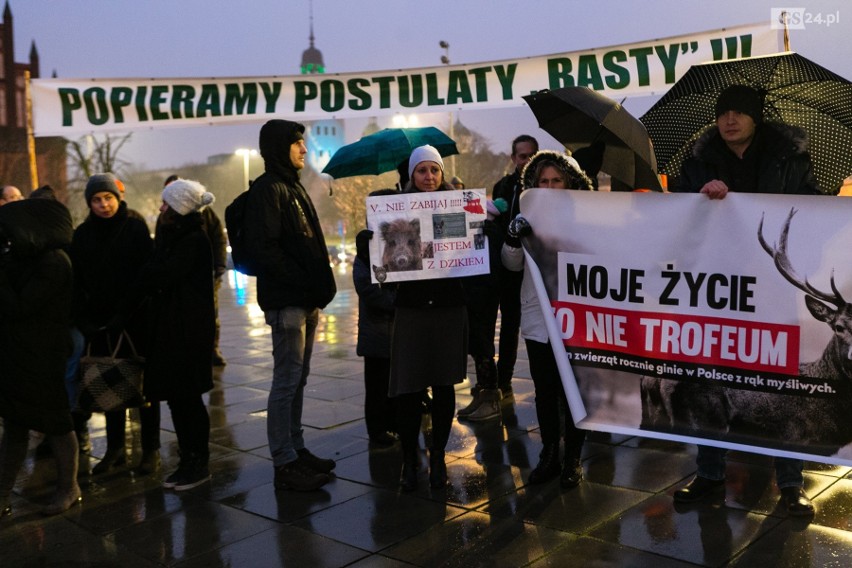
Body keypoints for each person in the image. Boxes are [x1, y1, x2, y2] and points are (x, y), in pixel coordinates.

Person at [671, 84, 820, 516]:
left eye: (739, 112)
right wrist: (700, 197)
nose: (729, 119)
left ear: (756, 118)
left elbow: (810, 209)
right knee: (708, 381)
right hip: (718, 289)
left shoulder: (789, 158)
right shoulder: (699, 162)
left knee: (780, 383)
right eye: (723, 113)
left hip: (773, 288)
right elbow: (679, 214)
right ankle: (709, 474)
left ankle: (791, 483)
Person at [243, 119, 337, 491]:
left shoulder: (290, 186)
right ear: (279, 147)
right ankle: (284, 461)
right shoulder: (270, 189)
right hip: (288, 303)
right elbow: (266, 249)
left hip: (304, 300)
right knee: (285, 380)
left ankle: (296, 449)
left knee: (298, 379)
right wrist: (302, 281)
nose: (304, 149)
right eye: (297, 144)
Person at [501, 150, 593, 488]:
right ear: (534, 184)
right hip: (539, 317)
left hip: (578, 318)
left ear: (569, 182)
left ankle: (573, 459)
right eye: (544, 181)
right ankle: (549, 453)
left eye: (557, 180)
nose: (551, 186)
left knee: (575, 392)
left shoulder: (587, 217)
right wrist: (513, 238)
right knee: (545, 390)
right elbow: (512, 266)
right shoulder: (527, 214)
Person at [391, 145, 468, 492]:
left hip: (449, 309)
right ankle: (410, 457)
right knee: (408, 388)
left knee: (444, 384)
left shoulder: (458, 207)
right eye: (422, 170)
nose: (429, 177)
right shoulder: (393, 209)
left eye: (434, 170)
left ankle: (437, 455)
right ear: (411, 175)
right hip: (412, 309)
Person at [69, 173, 158, 476]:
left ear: (119, 199)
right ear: (89, 203)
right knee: (109, 383)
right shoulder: (82, 235)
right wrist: (84, 320)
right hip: (99, 323)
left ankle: (151, 450)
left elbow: (145, 274)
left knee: (146, 389)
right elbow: (77, 281)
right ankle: (115, 450)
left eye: (108, 198)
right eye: (97, 200)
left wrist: (125, 313)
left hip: (135, 320)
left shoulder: (134, 228)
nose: (104, 204)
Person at [133, 179, 217, 490]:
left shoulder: (192, 240)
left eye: (166, 203)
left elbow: (162, 274)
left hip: (188, 331)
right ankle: (188, 460)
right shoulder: (177, 236)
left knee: (188, 399)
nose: (160, 208)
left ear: (179, 207)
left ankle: (198, 462)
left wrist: (149, 275)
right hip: (173, 329)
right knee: (178, 400)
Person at [0, 198, 81, 516]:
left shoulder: (54, 262)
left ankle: (68, 487)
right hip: (16, 353)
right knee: (16, 425)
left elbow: (20, 306)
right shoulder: (21, 258)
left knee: (56, 422)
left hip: (43, 355)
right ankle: (2, 493)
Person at [491, 135, 539, 397]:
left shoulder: (544, 185)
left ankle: (548, 380)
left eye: (532, 154)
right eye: (522, 156)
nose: (527, 160)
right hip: (510, 268)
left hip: (539, 270)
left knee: (542, 328)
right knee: (509, 326)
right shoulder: (503, 186)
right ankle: (503, 378)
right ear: (513, 158)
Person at [163, 174, 228, 366]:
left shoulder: (201, 223)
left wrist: (219, 266)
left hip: (208, 276)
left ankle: (212, 349)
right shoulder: (166, 220)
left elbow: (219, 239)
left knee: (210, 316)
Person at [353, 189, 399, 446]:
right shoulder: (367, 244)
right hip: (378, 332)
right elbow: (365, 285)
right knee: (377, 386)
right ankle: (378, 430)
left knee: (396, 385)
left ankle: (394, 424)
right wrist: (397, 304)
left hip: (398, 331)